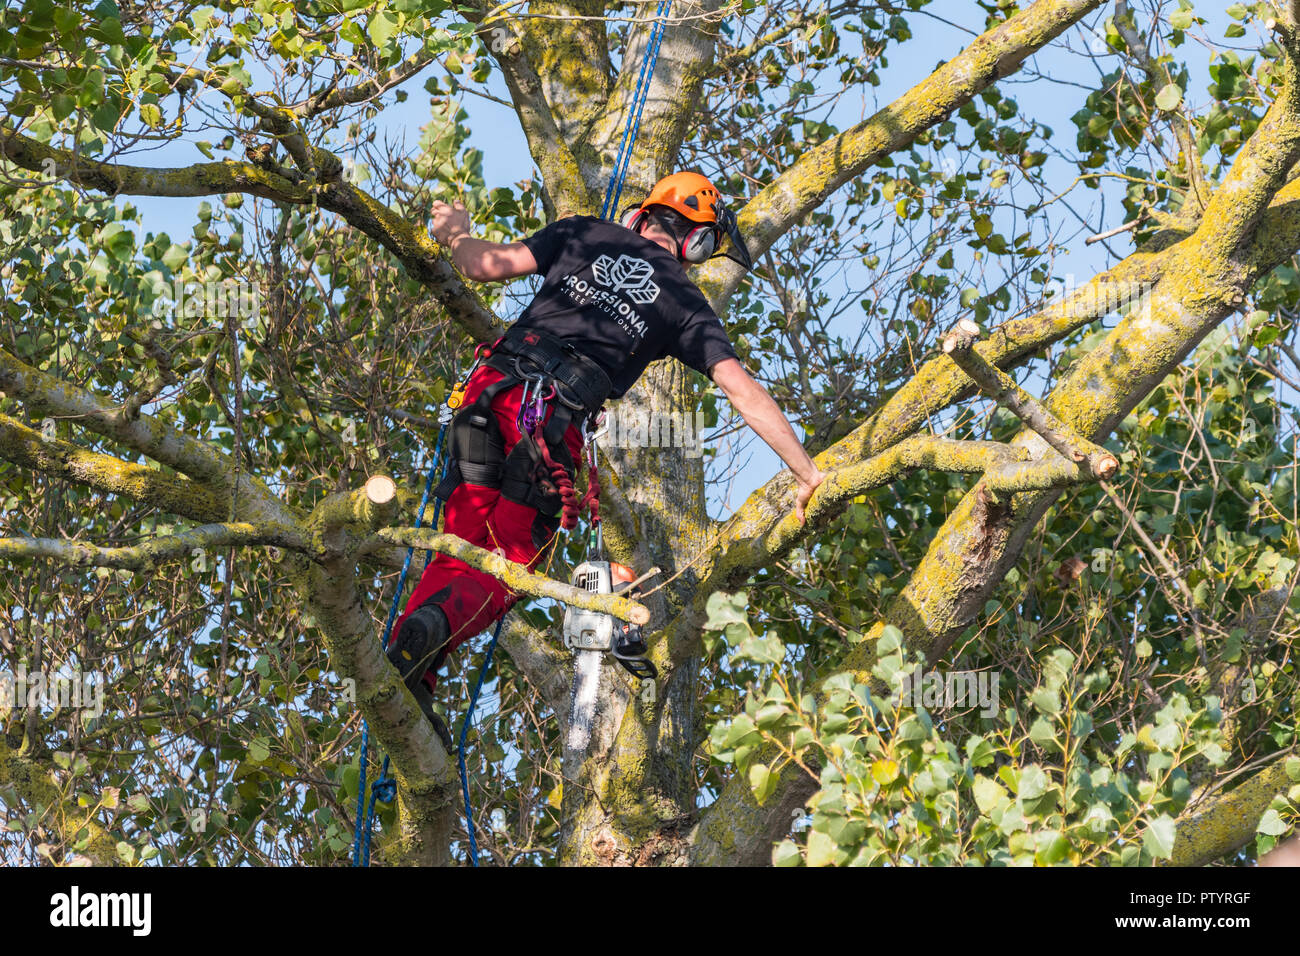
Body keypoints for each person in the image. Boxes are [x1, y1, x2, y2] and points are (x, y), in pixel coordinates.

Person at [388, 171, 826, 745]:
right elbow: (741, 389)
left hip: (488, 396)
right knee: (513, 563)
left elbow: (483, 266)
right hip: (550, 422)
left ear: (642, 215)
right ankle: (427, 638)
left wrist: (454, 233)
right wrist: (806, 470)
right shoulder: (684, 300)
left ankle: (411, 661)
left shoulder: (583, 233)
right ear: (695, 244)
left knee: (464, 544)